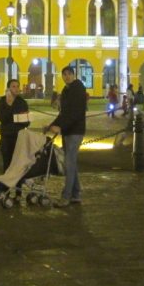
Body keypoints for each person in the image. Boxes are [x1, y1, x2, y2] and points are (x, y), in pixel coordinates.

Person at [46, 66, 87, 205]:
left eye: (69, 74)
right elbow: (63, 113)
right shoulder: (66, 90)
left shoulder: (78, 89)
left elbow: (76, 113)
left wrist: (60, 126)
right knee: (71, 163)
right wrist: (51, 125)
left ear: (74, 75)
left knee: (69, 163)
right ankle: (76, 194)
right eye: (64, 74)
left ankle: (66, 196)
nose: (67, 77)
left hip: (75, 131)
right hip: (67, 131)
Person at [0, 78, 30, 171]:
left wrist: (22, 119)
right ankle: (6, 184)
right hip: (6, 137)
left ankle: (18, 185)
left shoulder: (22, 102)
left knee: (18, 165)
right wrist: (10, 105)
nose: (16, 88)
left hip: (19, 137)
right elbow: (3, 119)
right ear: (8, 88)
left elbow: (27, 122)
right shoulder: (3, 101)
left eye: (17, 86)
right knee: (7, 164)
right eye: (13, 86)